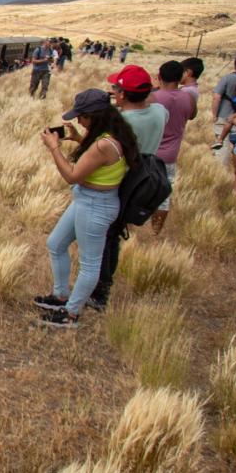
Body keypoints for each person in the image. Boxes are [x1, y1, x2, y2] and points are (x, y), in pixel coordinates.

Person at [35, 89, 140, 327]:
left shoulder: (103, 144)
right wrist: (78, 139)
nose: (78, 121)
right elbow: (100, 163)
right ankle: (61, 295)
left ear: (94, 116)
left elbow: (72, 175)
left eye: (81, 117)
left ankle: (70, 313)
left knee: (90, 263)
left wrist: (54, 147)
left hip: (96, 205)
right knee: (56, 243)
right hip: (87, 199)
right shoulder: (113, 134)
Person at [88, 65, 167, 309]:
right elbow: (152, 101)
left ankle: (100, 291)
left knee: (106, 236)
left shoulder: (121, 123)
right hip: (146, 177)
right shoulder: (160, 112)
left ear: (122, 94)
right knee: (114, 235)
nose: (112, 92)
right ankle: (104, 285)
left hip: (122, 181)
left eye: (115, 88)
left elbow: (104, 152)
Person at [149, 60, 196, 235]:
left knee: (136, 189)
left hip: (149, 152)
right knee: (164, 197)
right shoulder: (188, 97)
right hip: (170, 155)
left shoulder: (154, 97)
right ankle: (155, 231)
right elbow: (192, 114)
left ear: (160, 76)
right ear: (181, 76)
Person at [211, 55, 236, 151]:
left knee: (222, 151)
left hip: (224, 116)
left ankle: (220, 140)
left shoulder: (227, 78)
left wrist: (214, 115)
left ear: (235, 65)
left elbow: (216, 98)